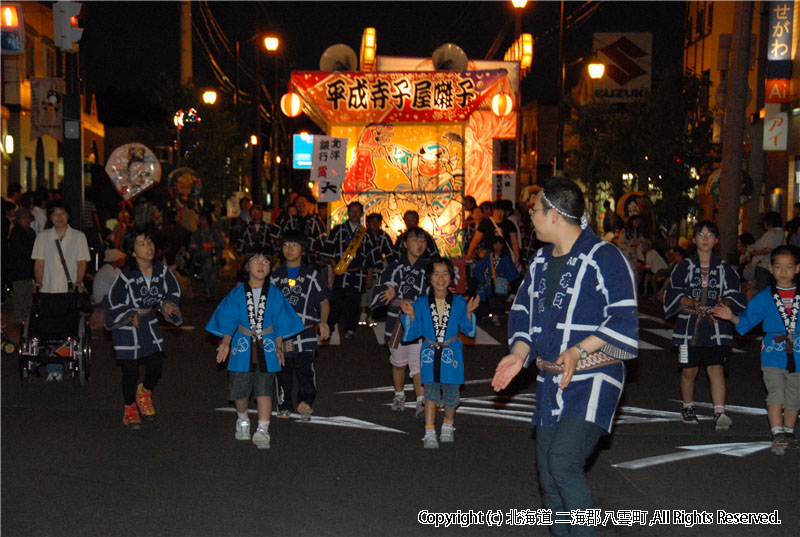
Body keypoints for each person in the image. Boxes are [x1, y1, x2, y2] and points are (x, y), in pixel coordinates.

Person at [492, 177, 638, 537]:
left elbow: (624, 317)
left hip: (594, 376)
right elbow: (524, 312)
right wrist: (518, 353)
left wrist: (578, 349)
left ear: (555, 214)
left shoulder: (605, 256)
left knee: (563, 462)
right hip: (550, 379)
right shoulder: (541, 260)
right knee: (547, 474)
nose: (531, 216)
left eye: (535, 209)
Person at [206, 249, 304, 449]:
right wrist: (225, 343)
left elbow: (281, 320)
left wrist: (279, 347)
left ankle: (263, 429)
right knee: (239, 393)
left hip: (266, 346)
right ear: (246, 265)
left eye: (266, 261)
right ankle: (242, 419)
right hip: (242, 346)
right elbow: (229, 319)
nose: (261, 264)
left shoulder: (275, 294)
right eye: (255, 260)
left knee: (264, 390)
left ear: (271, 267)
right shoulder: (237, 293)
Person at [714, 245, 800, 454]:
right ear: (770, 268)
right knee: (776, 391)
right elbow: (748, 320)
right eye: (778, 267)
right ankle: (777, 431)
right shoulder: (764, 297)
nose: (783, 271)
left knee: (795, 396)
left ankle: (788, 432)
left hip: (797, 352)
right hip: (773, 351)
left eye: (788, 267)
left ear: (797, 269)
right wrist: (731, 317)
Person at [664, 221, 746, 430]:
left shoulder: (724, 268)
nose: (705, 239)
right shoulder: (683, 267)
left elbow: (735, 292)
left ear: (716, 240)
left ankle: (719, 412)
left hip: (716, 325)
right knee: (688, 370)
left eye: (710, 235)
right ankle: (688, 406)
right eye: (701, 235)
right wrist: (689, 301)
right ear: (694, 240)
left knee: (716, 368)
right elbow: (672, 293)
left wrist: (725, 303)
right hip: (687, 327)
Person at [400, 256, 479, 448]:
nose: (440, 278)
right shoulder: (421, 303)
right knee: (430, 393)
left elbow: (469, 330)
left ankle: (447, 426)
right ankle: (429, 431)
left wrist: (468, 312)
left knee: (452, 393)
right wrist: (411, 315)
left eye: (445, 274)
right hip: (429, 352)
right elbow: (413, 332)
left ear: (452, 277)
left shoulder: (459, 302)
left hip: (451, 352)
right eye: (435, 274)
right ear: (429, 278)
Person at [106, 231, 182, 429]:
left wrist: (167, 304)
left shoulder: (162, 272)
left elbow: (171, 292)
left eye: (149, 241)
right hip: (127, 323)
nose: (148, 247)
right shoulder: (126, 276)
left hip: (148, 320)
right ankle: (129, 407)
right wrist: (129, 313)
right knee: (130, 369)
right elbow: (114, 300)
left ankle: (145, 392)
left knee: (156, 364)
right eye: (141, 244)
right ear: (132, 252)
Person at [270, 230, 331, 419]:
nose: (289, 249)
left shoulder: (311, 275)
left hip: (306, 332)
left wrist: (323, 323)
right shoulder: (275, 276)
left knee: (306, 368)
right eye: (286, 245)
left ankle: (306, 401)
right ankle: (284, 403)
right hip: (283, 333)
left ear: (303, 250)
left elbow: (324, 302)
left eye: (294, 245)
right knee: (283, 369)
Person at [372, 227, 431, 416]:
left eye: (423, 240)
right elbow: (385, 287)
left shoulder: (429, 267)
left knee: (418, 362)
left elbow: (436, 289)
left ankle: (421, 400)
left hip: (418, 320)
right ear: (405, 244)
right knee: (398, 362)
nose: (420, 244)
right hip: (396, 320)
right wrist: (390, 292)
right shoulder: (394, 266)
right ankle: (399, 394)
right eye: (415, 240)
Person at [31, 199, 91, 381]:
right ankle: (53, 367)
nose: (59, 217)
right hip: (48, 289)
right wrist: (38, 282)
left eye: (62, 213)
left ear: (68, 216)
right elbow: (39, 262)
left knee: (67, 327)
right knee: (48, 329)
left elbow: (82, 262)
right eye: (55, 214)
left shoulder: (79, 237)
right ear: (50, 217)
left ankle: (63, 362)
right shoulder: (42, 237)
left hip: (68, 290)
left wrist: (79, 281)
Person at [321, 201, 368, 339]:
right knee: (336, 301)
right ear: (348, 213)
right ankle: (329, 327)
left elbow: (371, 255)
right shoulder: (338, 230)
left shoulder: (364, 233)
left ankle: (350, 328)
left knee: (354, 302)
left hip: (358, 273)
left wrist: (369, 274)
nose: (354, 214)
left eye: (357, 211)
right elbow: (328, 250)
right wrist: (334, 263)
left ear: (361, 213)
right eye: (352, 211)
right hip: (341, 272)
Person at [473, 235, 520, 325]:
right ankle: (490, 315)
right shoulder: (488, 256)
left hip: (501, 282)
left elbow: (510, 270)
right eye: (495, 244)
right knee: (490, 298)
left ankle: (497, 315)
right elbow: (480, 267)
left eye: (499, 244)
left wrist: (509, 282)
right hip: (490, 281)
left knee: (500, 299)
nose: (497, 246)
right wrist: (482, 277)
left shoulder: (506, 258)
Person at [361, 212, 395, 326]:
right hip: (363, 269)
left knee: (375, 292)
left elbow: (390, 254)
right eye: (372, 222)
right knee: (363, 292)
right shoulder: (361, 235)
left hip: (379, 269)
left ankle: (371, 315)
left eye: (377, 222)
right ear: (367, 223)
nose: (375, 224)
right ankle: (363, 313)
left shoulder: (384, 236)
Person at [464, 200, 520, 266]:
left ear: (505, 212)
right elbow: (476, 240)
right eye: (497, 210)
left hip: (504, 255)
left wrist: (517, 257)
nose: (499, 213)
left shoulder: (509, 224)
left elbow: (514, 243)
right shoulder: (485, 223)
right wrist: (469, 254)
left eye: (501, 211)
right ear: (493, 210)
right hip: (488, 255)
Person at [8, 208, 37, 326]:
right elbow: (19, 251)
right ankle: (19, 318)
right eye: (23, 218)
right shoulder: (16, 232)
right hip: (19, 269)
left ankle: (27, 317)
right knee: (20, 295)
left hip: (29, 269)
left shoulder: (31, 232)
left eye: (28, 218)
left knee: (28, 295)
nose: (27, 220)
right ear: (18, 220)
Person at [190, 212, 225, 301]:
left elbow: (221, 243)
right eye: (200, 219)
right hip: (202, 256)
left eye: (203, 219)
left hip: (213, 256)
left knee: (213, 275)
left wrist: (212, 244)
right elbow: (192, 245)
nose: (201, 222)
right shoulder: (197, 233)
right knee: (206, 276)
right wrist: (199, 246)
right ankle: (208, 293)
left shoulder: (214, 231)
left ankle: (213, 293)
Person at [748, 211, 785, 292]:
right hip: (771, 264)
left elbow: (768, 249)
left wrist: (755, 252)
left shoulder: (772, 233)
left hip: (764, 264)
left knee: (763, 290)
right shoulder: (780, 232)